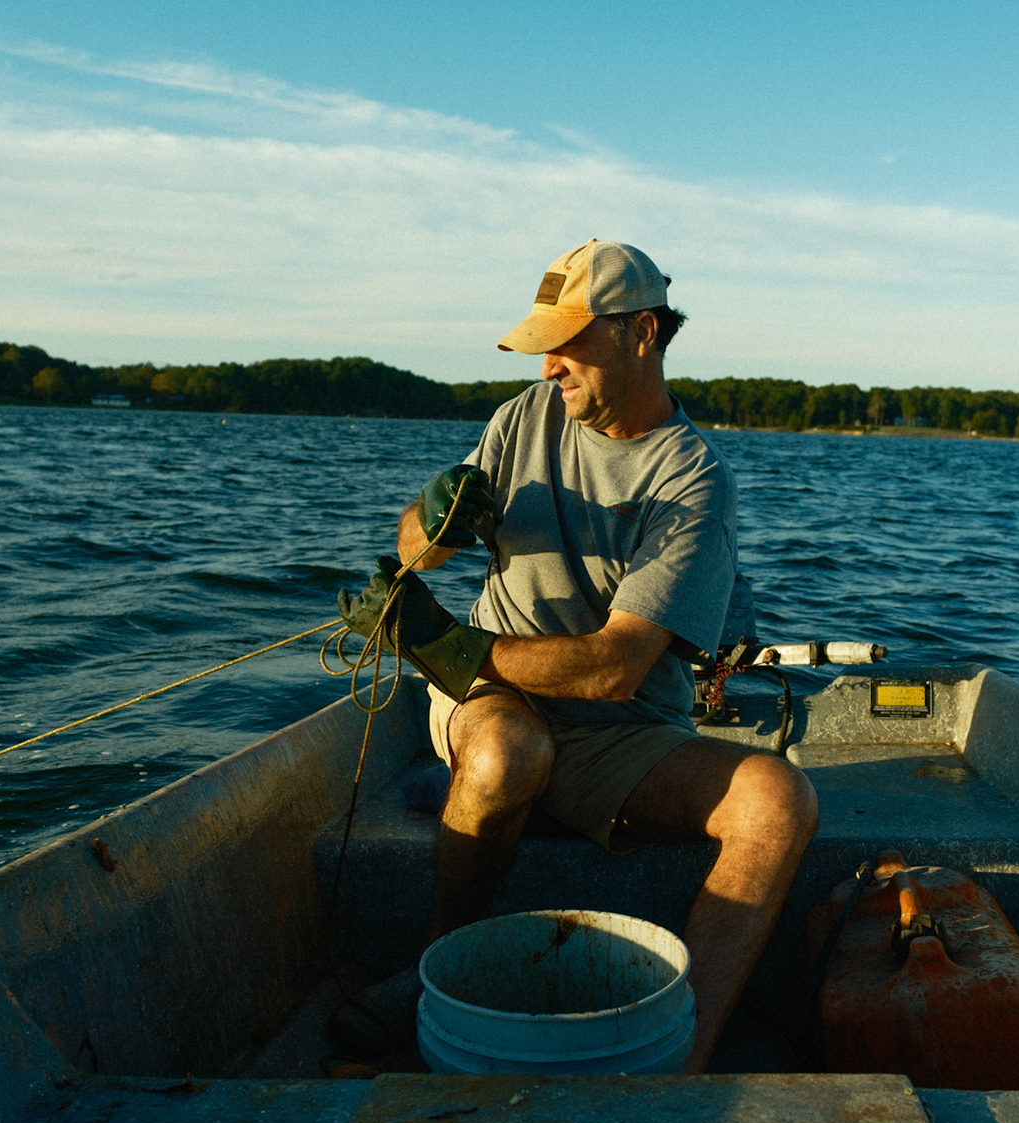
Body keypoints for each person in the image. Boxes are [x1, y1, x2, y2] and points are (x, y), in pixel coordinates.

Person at [337, 239, 817, 1073]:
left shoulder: (694, 480)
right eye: (543, 346)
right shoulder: (523, 416)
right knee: (507, 753)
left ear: (642, 333)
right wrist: (431, 517)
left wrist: (449, 647)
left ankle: (680, 1060)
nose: (549, 365)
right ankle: (435, 973)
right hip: (496, 702)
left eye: (568, 342)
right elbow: (420, 552)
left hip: (618, 728)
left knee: (778, 802)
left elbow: (616, 667)